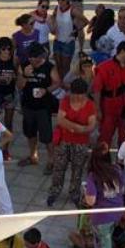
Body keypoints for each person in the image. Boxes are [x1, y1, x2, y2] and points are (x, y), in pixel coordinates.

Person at [47, 79, 98, 207]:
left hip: (81, 143)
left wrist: (77, 128)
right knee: (59, 167)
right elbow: (60, 119)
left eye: (80, 94)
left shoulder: (90, 105)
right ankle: (54, 191)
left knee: (78, 169)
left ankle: (74, 193)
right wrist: (78, 127)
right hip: (64, 140)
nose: (77, 97)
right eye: (75, 94)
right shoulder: (65, 101)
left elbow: (91, 125)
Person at [17, 44, 60, 172]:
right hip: (28, 105)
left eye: (36, 58)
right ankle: (33, 156)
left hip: (43, 107)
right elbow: (19, 86)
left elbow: (57, 82)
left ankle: (51, 160)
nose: (32, 60)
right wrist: (24, 75)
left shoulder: (49, 67)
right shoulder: (24, 66)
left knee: (47, 136)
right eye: (30, 58)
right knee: (30, 133)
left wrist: (46, 90)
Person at [92, 40, 125, 148]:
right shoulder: (104, 67)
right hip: (109, 108)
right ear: (123, 51)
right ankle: (101, 162)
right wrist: (97, 109)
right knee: (105, 136)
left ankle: (122, 162)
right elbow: (97, 90)